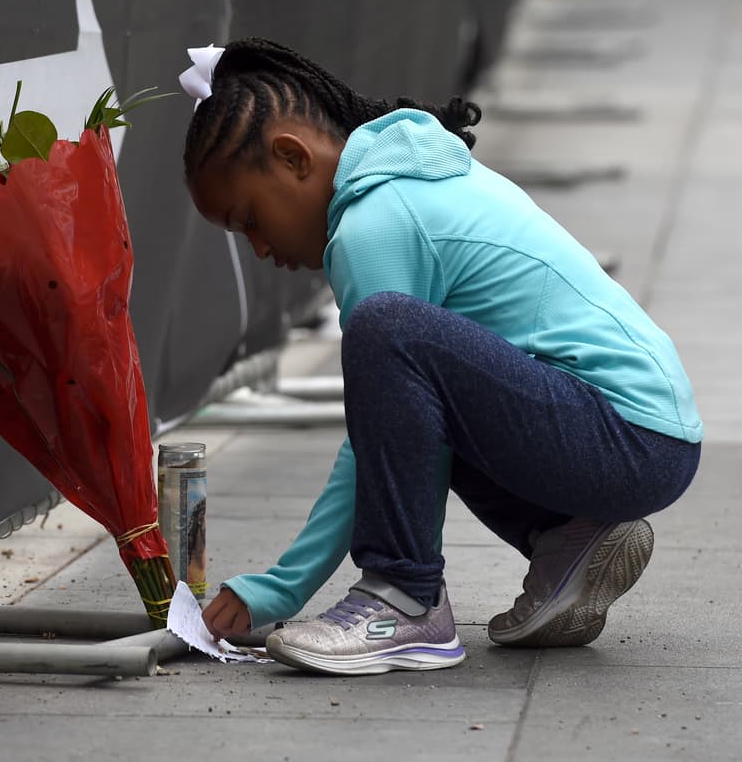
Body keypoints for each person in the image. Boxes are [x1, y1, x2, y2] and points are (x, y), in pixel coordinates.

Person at [177, 38, 702, 676]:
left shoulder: (373, 222)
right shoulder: (407, 180)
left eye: (251, 219)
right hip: (646, 435)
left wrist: (282, 587)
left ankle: (402, 599)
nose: (259, 248)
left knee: (386, 333)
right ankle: (571, 537)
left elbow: (370, 444)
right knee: (417, 397)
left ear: (292, 157)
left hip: (620, 434)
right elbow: (402, 430)